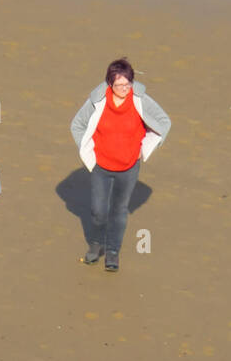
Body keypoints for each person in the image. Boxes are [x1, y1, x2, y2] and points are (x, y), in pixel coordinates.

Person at [70, 58, 171, 272]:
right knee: (98, 211)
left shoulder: (140, 100)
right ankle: (96, 245)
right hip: (101, 167)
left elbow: (164, 121)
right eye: (119, 85)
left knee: (119, 210)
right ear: (109, 83)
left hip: (129, 168)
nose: (124, 89)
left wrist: (146, 147)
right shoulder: (97, 101)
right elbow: (77, 125)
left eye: (128, 84)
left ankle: (113, 252)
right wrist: (87, 151)